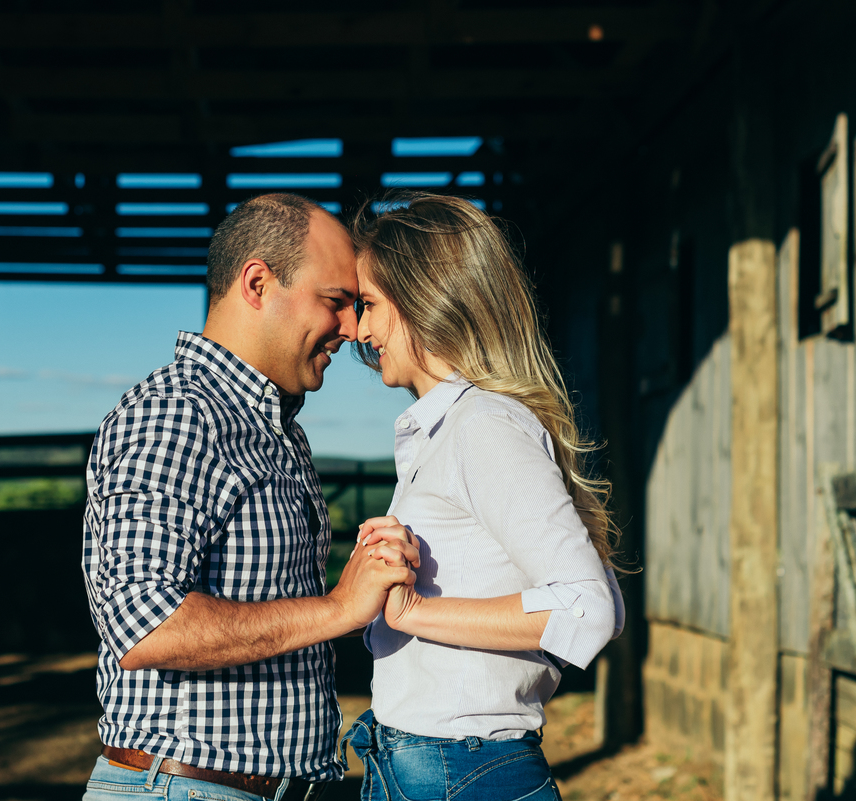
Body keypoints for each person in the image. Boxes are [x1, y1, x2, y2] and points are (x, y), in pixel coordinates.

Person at [81, 193, 418, 801]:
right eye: (335, 302)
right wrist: (339, 607)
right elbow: (145, 625)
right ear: (258, 284)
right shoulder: (177, 413)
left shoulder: (274, 428)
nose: (352, 329)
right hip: (185, 789)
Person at [339, 192, 626, 801]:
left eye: (369, 304)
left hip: (459, 770)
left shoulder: (483, 427)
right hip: (432, 762)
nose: (360, 330)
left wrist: (413, 612)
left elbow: (589, 608)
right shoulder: (451, 430)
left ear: (423, 297)